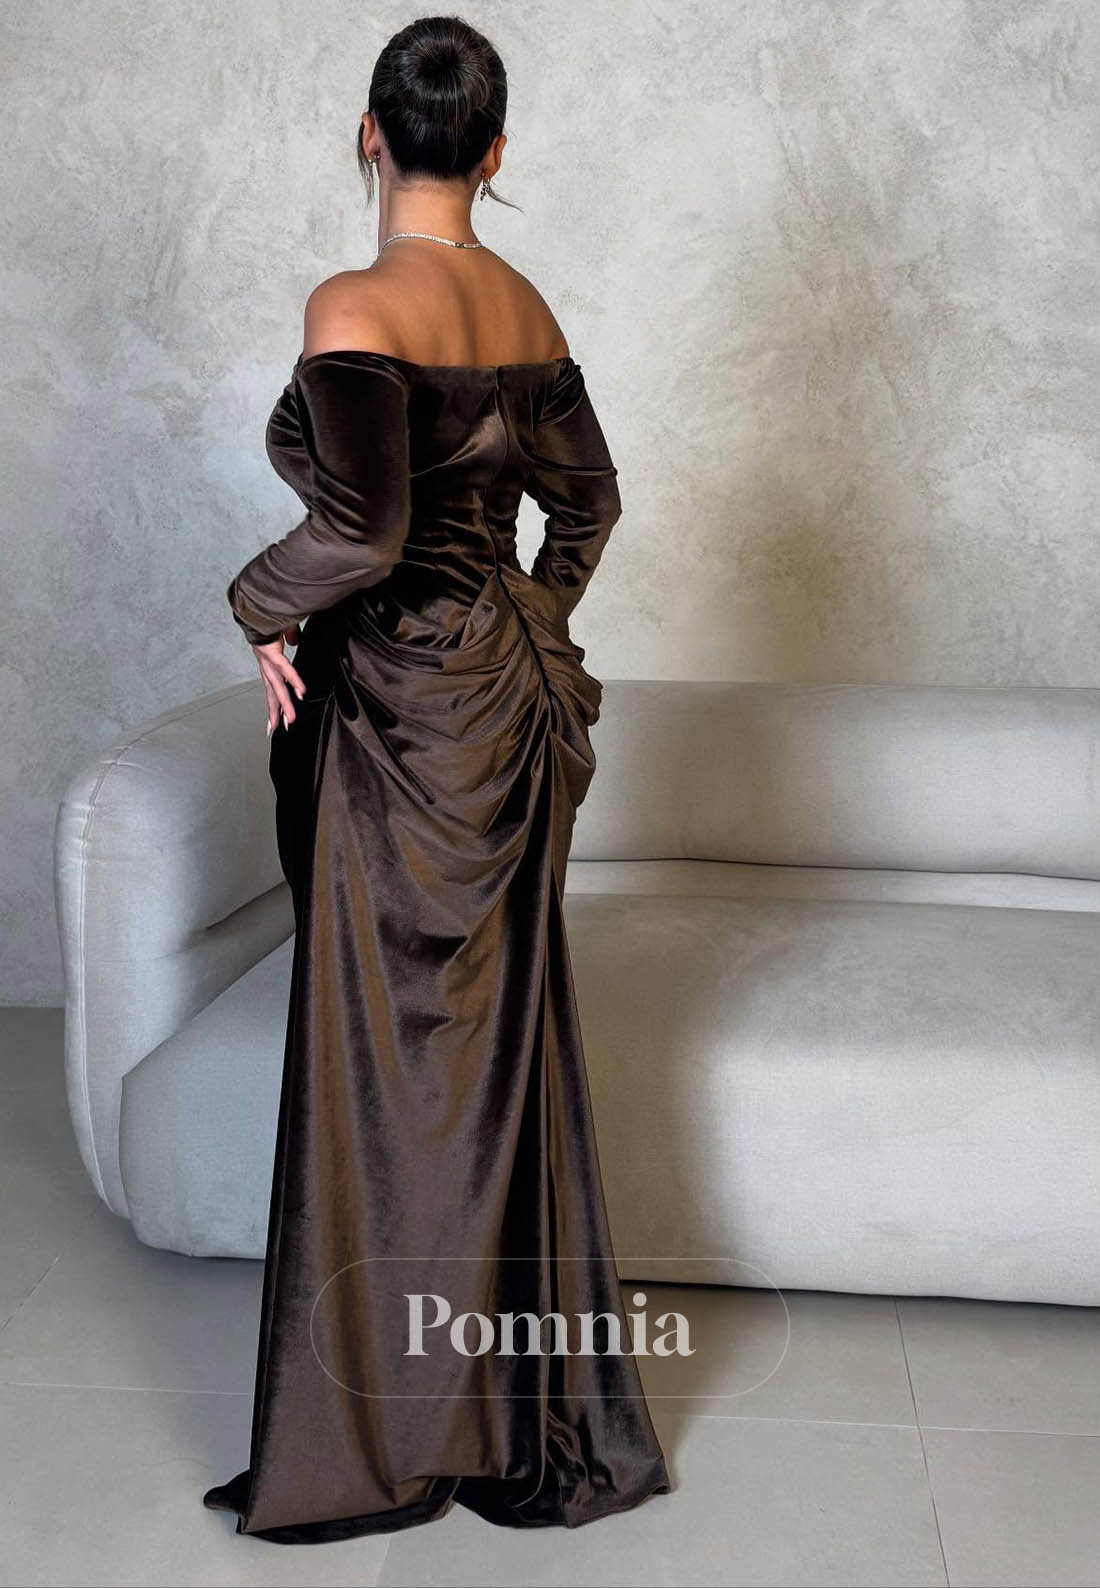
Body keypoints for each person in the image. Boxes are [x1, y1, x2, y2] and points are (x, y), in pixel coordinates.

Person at [202, 13, 671, 1543]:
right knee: (486, 1062)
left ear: (369, 133)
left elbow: (365, 531)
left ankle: (377, 1434)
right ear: (496, 149)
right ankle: (493, 1412)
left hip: (394, 727)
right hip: (504, 719)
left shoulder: (355, 303)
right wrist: (521, 621)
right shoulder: (524, 302)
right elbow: (589, 504)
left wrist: (257, 605)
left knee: (381, 1066)